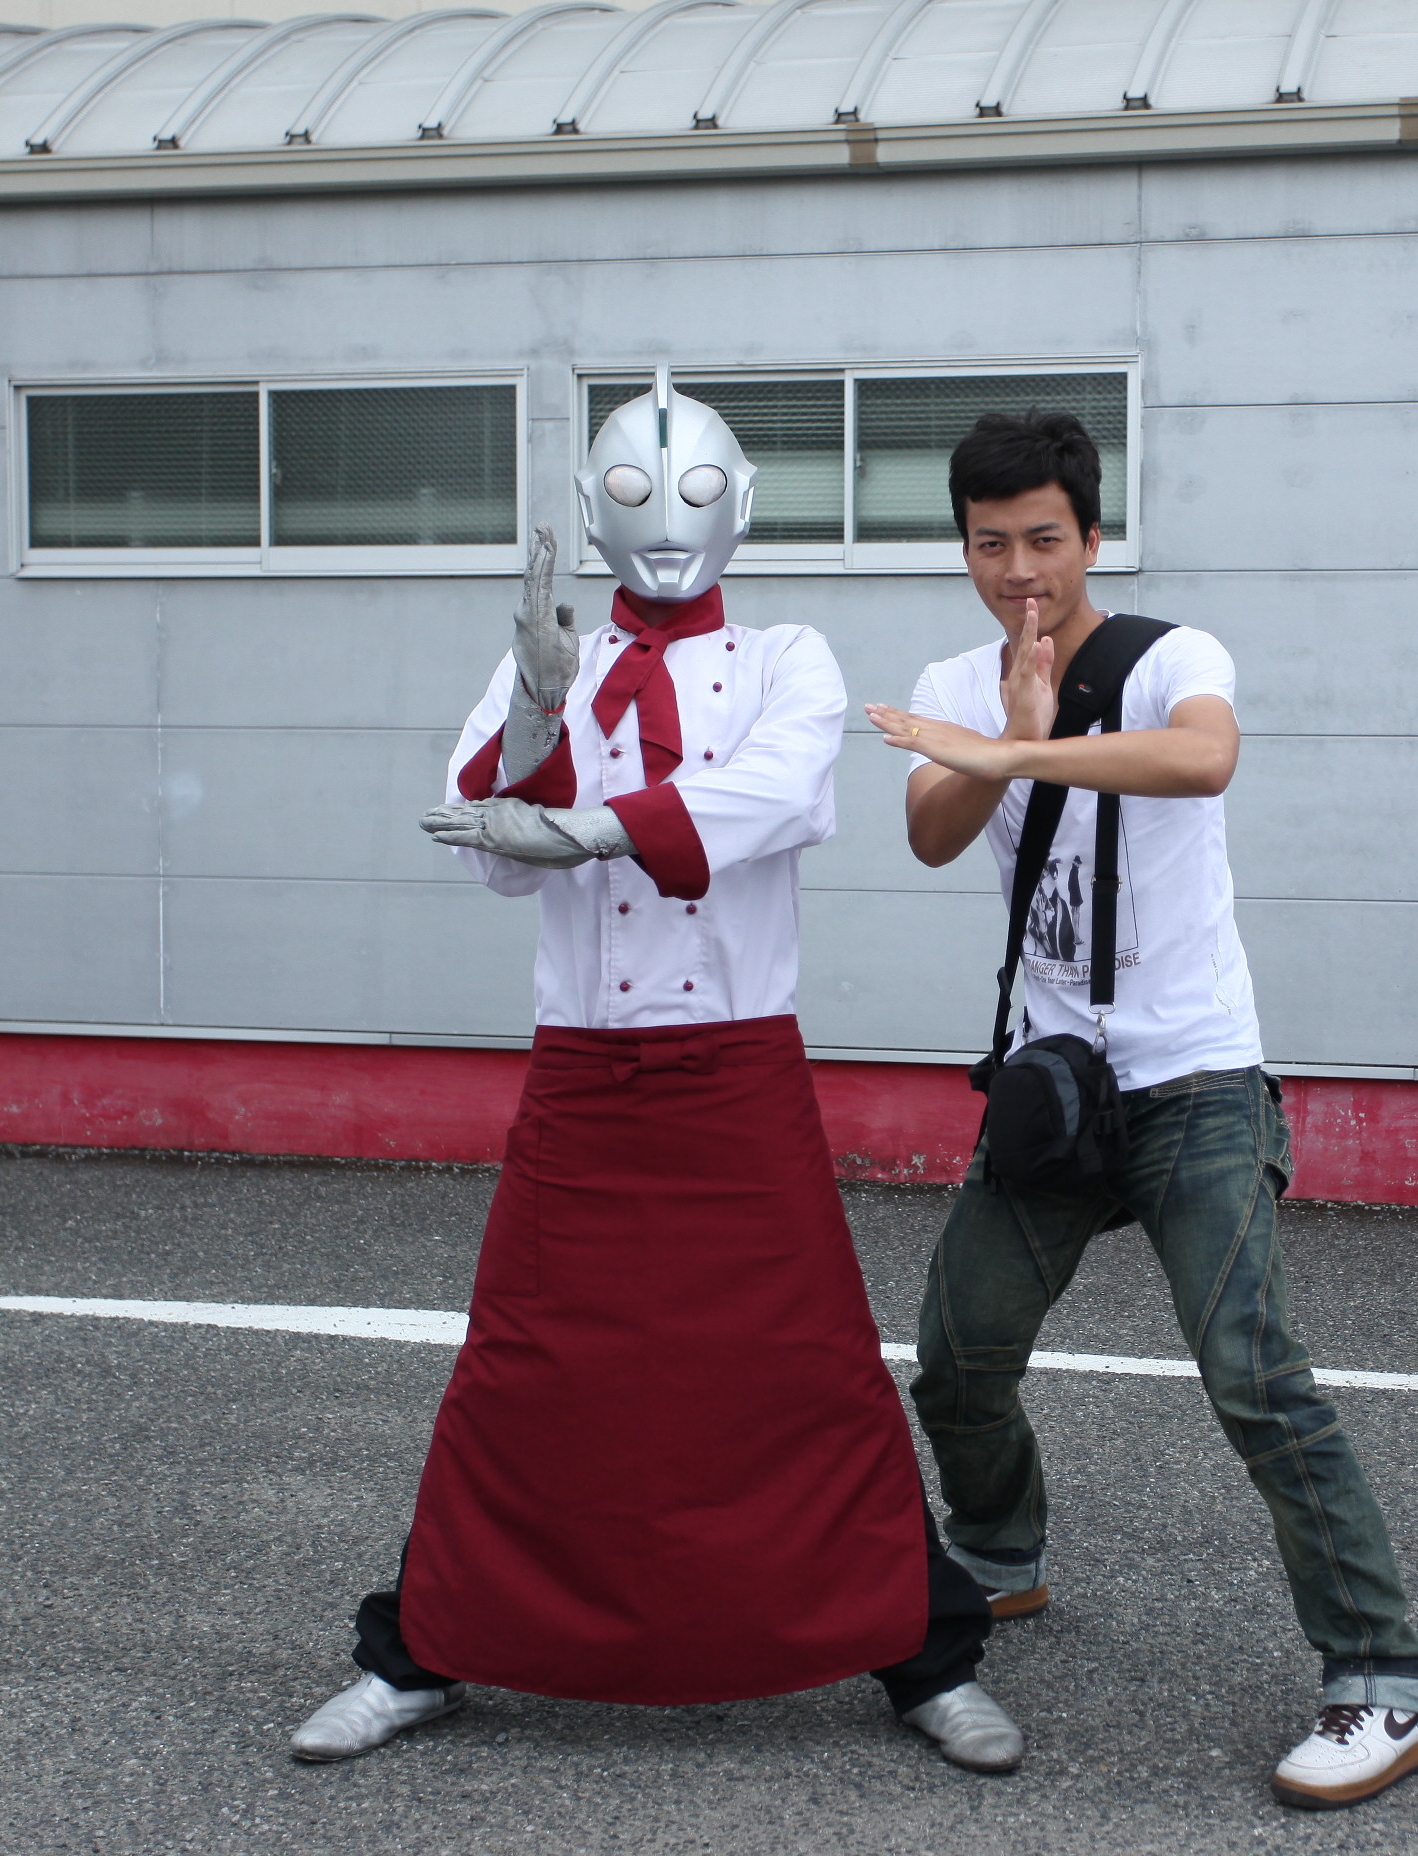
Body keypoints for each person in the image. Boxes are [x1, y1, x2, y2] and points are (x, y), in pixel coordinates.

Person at [289, 372, 1015, 1773]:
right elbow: (485, 845)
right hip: (583, 1075)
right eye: (631, 490)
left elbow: (783, 793)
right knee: (523, 1368)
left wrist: (594, 825)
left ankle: (923, 1650)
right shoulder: (543, 659)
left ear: (742, 507)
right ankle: (420, 1648)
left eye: (691, 492)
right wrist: (534, 713)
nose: (665, 519)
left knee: (809, 1370)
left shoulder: (788, 655)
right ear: (591, 511)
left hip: (738, 1070)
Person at [861, 411, 1418, 1811]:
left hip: (1196, 1079)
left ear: (1091, 538)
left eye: (1042, 540)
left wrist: (1021, 753)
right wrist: (994, 737)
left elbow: (1202, 760)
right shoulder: (954, 680)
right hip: (1055, 1086)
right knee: (957, 1357)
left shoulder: (1171, 657)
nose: (1018, 571)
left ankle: (1384, 1678)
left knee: (1253, 1371)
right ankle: (1002, 1552)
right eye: (989, 544)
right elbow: (931, 834)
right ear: (963, 548)